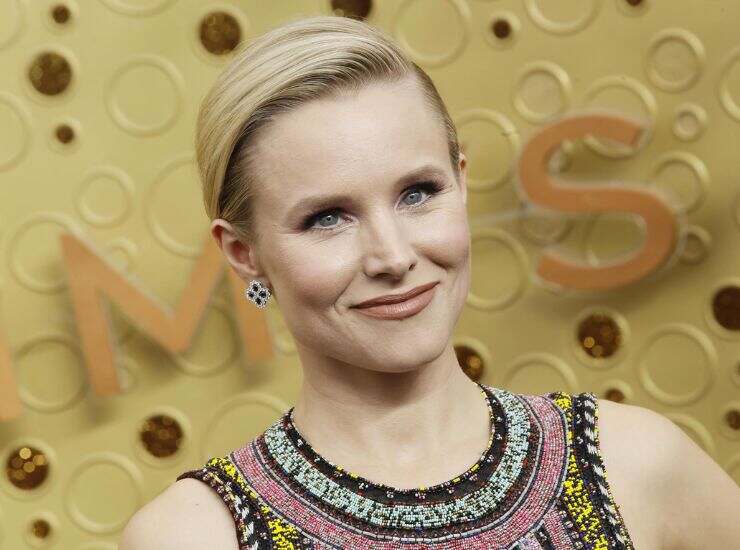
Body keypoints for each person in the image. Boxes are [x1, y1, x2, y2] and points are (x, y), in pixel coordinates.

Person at [120, 14, 740, 550]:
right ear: (243, 253)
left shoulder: (637, 464)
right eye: (327, 218)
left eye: (418, 193)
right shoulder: (195, 535)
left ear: (461, 183)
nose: (392, 256)